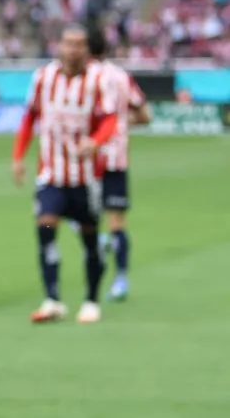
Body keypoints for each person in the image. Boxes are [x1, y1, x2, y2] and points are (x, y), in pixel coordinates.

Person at [12, 24, 118, 325]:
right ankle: (52, 298)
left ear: (87, 49)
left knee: (89, 239)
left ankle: (91, 299)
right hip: (51, 177)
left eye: (80, 44)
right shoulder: (43, 78)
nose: (74, 49)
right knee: (45, 227)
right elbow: (29, 117)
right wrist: (18, 156)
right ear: (59, 46)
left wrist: (95, 142)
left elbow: (110, 119)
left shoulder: (98, 80)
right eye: (68, 43)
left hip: (85, 179)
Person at [89, 34, 152, 301]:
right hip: (116, 158)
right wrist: (121, 125)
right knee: (117, 221)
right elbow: (145, 115)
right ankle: (121, 278)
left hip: (87, 158)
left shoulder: (81, 79)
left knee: (68, 213)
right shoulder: (121, 76)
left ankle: (102, 242)